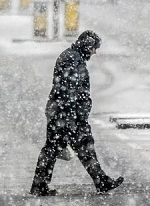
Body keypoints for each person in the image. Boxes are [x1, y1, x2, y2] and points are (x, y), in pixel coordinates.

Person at [30, 30, 124, 196]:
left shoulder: (73, 57)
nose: (95, 52)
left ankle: (40, 185)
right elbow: (70, 92)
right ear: (87, 46)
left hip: (62, 113)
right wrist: (76, 117)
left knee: (57, 148)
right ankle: (101, 182)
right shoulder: (72, 59)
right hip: (67, 115)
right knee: (79, 147)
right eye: (94, 48)